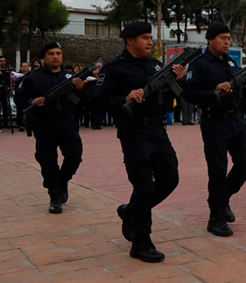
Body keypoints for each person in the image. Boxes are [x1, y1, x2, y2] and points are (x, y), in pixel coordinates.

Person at [97, 22, 186, 261]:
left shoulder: (156, 65)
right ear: (130, 40)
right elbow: (96, 101)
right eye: (145, 38)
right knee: (144, 185)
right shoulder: (115, 68)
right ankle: (141, 243)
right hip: (133, 132)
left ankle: (131, 212)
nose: (150, 42)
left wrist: (178, 81)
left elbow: (168, 100)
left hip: (158, 129)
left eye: (150, 37)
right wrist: (123, 98)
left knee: (170, 178)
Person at [183, 23, 246, 238]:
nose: (227, 41)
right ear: (210, 40)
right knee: (217, 171)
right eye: (222, 37)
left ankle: (222, 200)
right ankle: (215, 218)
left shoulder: (230, 62)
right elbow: (189, 94)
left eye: (229, 38)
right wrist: (213, 91)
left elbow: (242, 90)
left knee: (245, 165)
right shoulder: (199, 64)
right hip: (215, 123)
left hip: (236, 123)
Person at [15, 42, 85, 215]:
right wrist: (32, 101)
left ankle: (63, 181)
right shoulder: (33, 77)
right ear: (44, 57)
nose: (55, 56)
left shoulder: (69, 77)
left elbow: (85, 101)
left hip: (67, 122)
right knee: (47, 160)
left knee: (74, 156)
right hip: (44, 123)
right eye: (51, 53)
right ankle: (55, 196)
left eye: (58, 53)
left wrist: (80, 90)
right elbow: (19, 97)